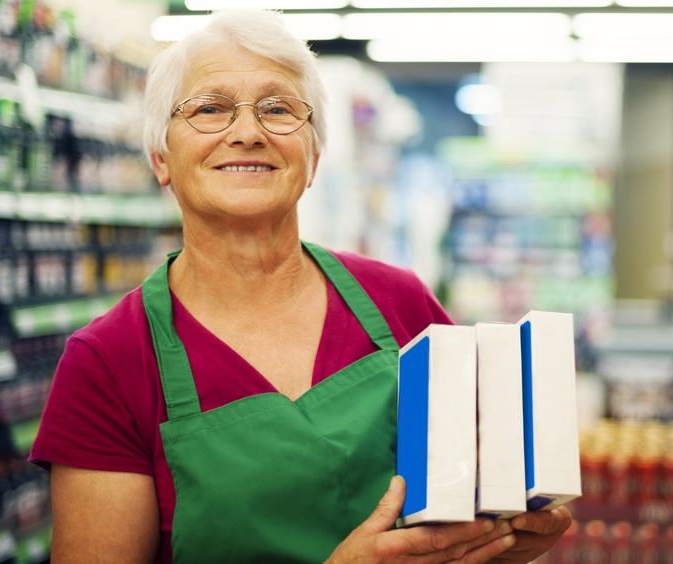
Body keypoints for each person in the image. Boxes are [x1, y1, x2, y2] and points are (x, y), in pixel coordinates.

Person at [30, 8, 572, 563]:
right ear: (160, 157)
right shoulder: (108, 363)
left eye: (278, 109)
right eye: (210, 109)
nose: (247, 132)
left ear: (313, 157)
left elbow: (472, 513)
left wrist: (511, 537)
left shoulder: (402, 305)